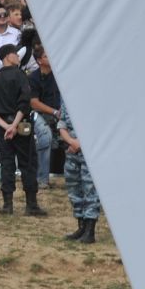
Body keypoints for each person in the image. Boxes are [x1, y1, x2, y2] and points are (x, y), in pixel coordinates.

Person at [0, 41, 42, 215]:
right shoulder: (20, 76)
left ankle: (7, 204)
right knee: (28, 163)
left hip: (3, 127)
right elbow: (24, 104)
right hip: (21, 125)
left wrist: (6, 126)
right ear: (8, 56)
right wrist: (14, 125)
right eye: (15, 54)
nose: (18, 57)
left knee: (7, 162)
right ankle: (31, 205)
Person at [56, 99, 101, 243]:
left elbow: (99, 124)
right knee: (74, 187)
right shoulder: (67, 97)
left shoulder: (94, 98)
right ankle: (81, 226)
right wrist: (70, 141)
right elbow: (62, 124)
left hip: (90, 150)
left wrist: (81, 143)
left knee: (90, 188)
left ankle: (90, 230)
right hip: (72, 150)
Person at [26, 41, 60, 188]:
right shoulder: (33, 78)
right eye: (47, 56)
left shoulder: (59, 74)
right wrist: (54, 112)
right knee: (45, 136)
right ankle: (42, 179)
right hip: (36, 113)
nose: (51, 58)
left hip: (58, 113)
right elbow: (33, 102)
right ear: (39, 60)